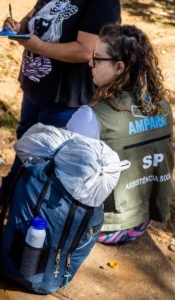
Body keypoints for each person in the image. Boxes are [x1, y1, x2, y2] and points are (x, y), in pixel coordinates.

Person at [0, 0, 121, 204]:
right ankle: (11, 192)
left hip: (67, 96)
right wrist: (19, 27)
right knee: (26, 139)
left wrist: (40, 46)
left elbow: (86, 50)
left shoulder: (102, 4)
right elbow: (34, 17)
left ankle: (36, 212)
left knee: (51, 156)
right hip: (36, 85)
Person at [66, 24, 174, 243]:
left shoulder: (90, 116)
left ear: (119, 67)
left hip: (104, 226)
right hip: (142, 222)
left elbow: (67, 172)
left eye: (97, 58)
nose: (90, 63)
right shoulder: (163, 107)